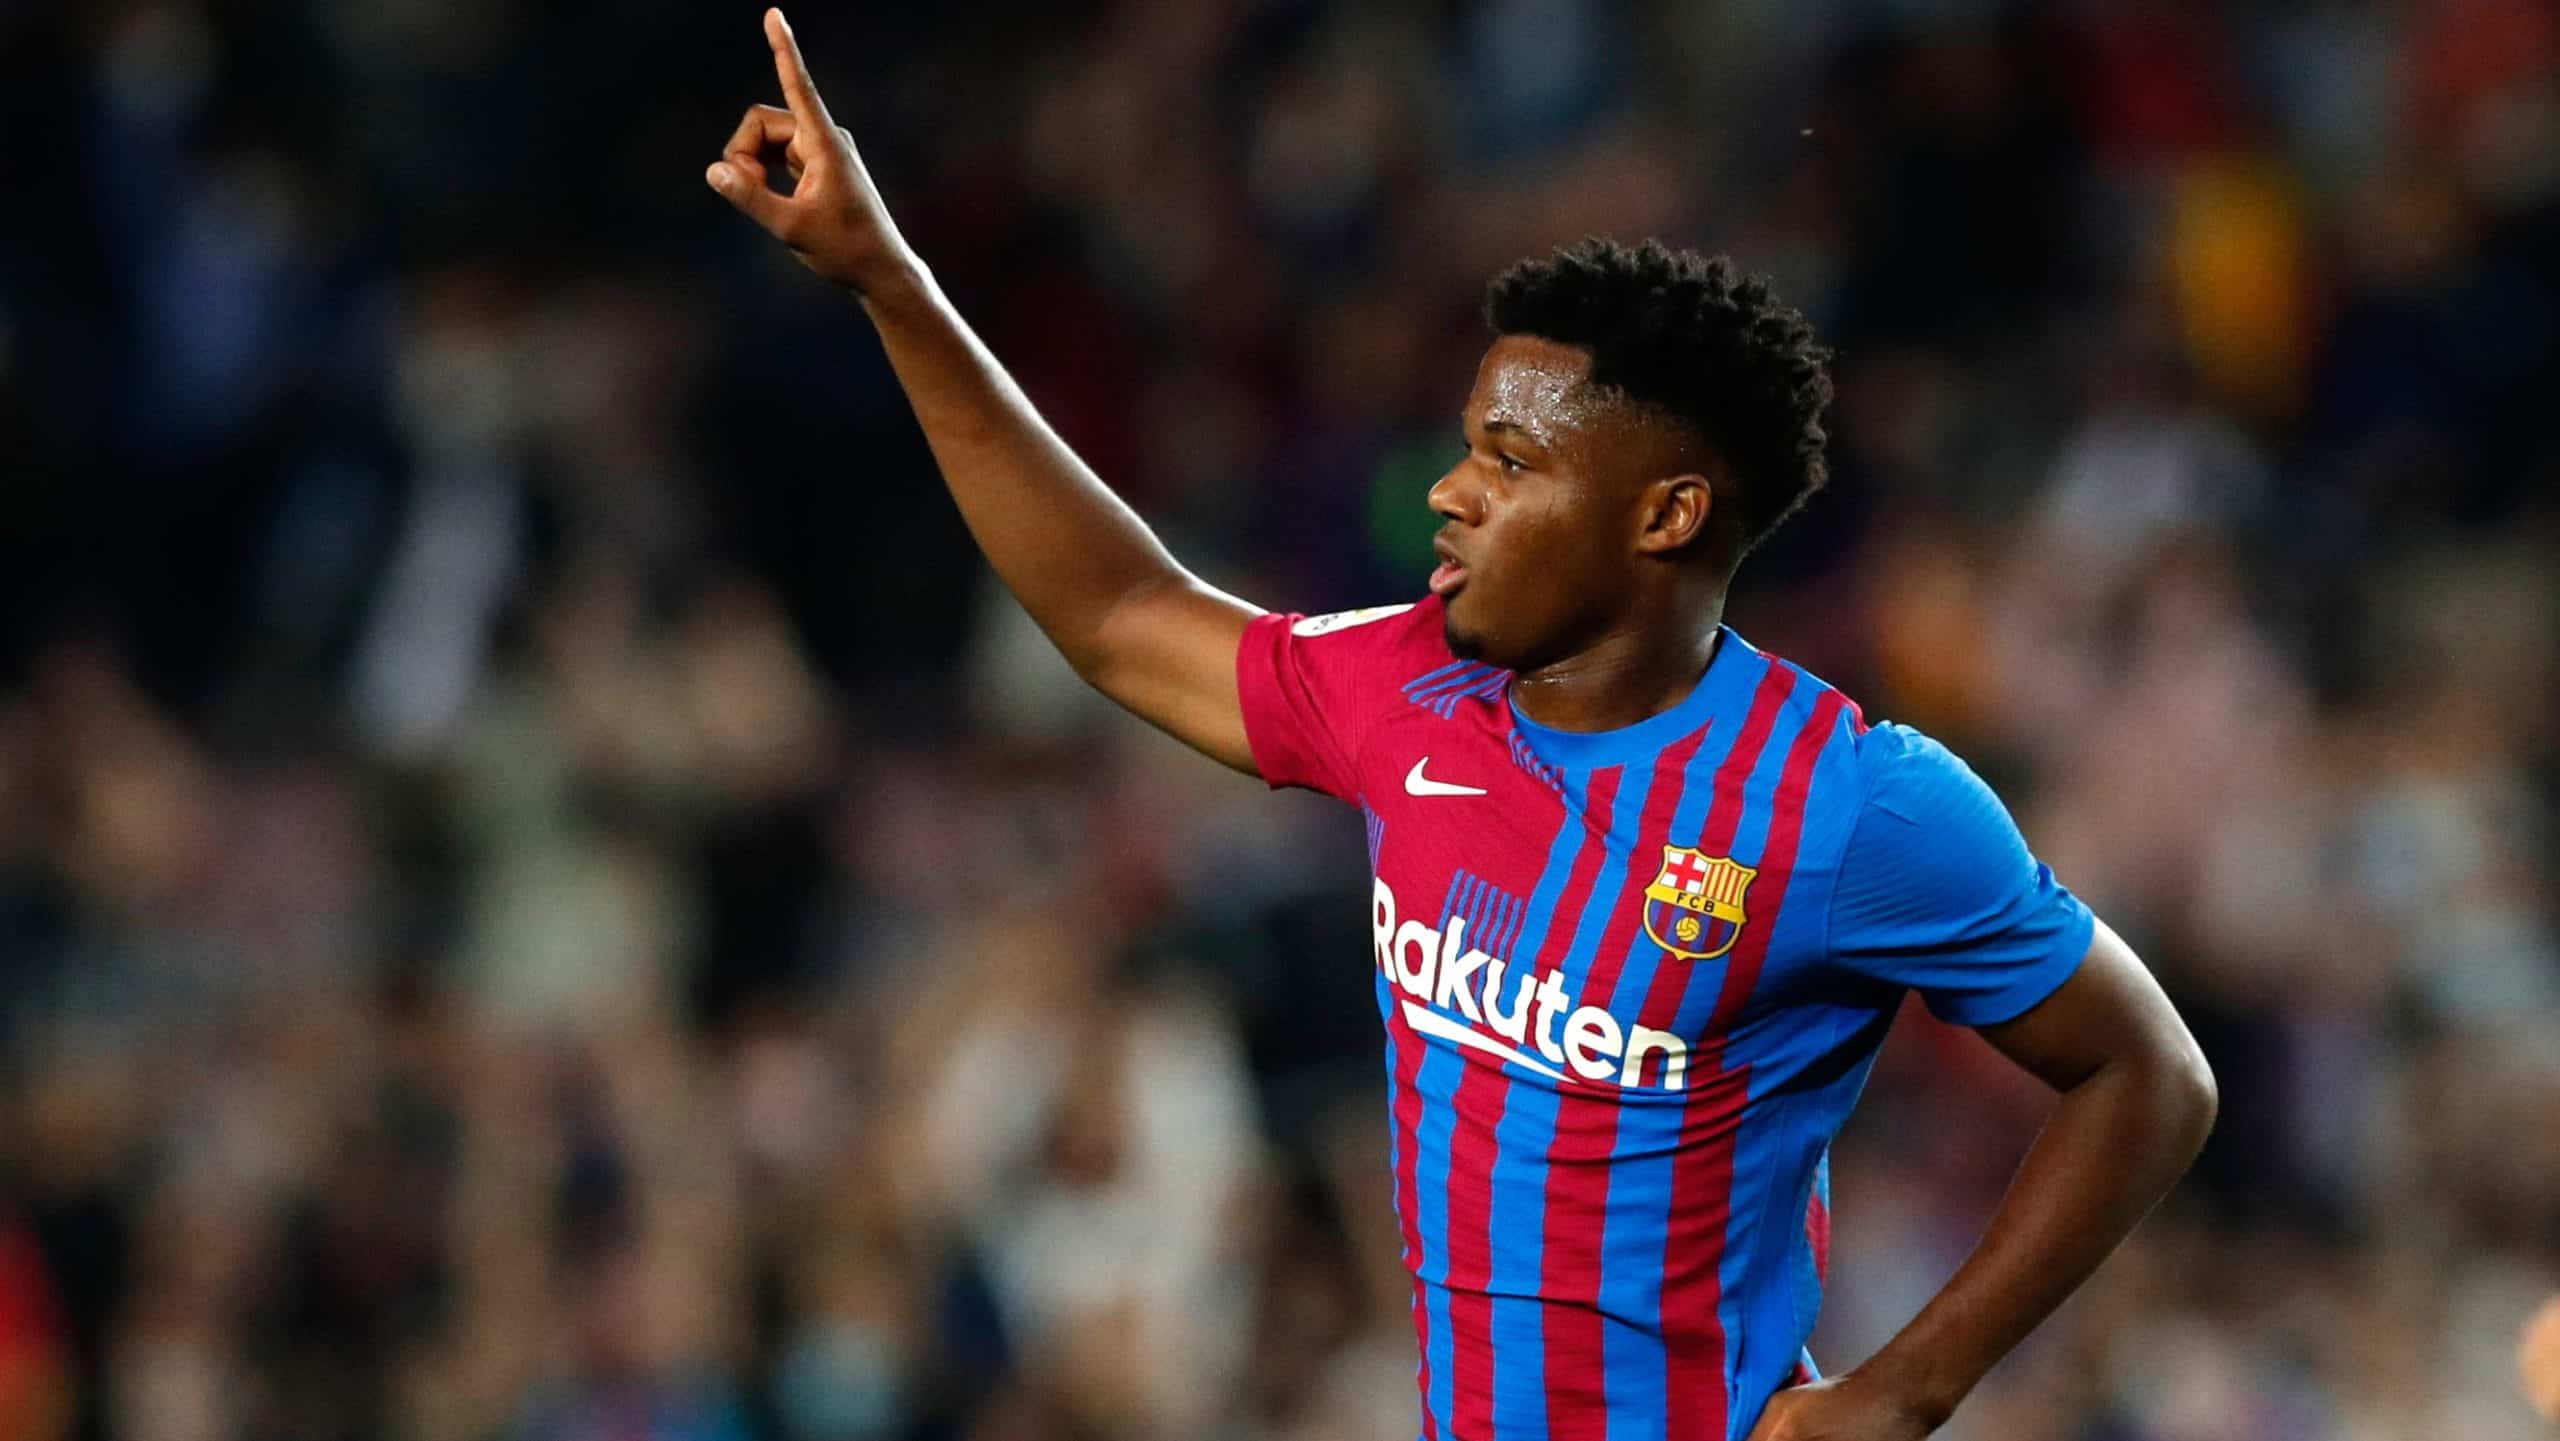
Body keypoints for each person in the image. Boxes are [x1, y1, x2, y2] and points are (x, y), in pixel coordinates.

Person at [704, 13, 2219, 1439]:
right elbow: (1116, 612)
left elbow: (2149, 1075)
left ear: (1665, 515)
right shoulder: (1409, 687)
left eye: (1508, 460)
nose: (1448, 491)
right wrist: (890, 281)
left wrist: (1902, 1392)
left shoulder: (1849, 804)